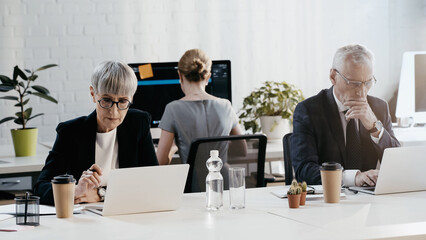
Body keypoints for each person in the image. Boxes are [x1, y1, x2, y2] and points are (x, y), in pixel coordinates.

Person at [33, 61, 158, 205]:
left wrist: (101, 194)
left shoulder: (138, 123)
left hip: (127, 212)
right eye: (106, 100)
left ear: (131, 99)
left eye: (123, 101)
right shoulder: (70, 132)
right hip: (85, 218)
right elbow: (40, 188)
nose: (114, 111)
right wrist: (74, 191)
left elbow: (151, 181)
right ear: (93, 94)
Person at [291, 44, 400, 187]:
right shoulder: (309, 111)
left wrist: (375, 127)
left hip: (369, 200)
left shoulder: (379, 108)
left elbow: (398, 164)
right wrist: (353, 178)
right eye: (354, 83)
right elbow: (304, 170)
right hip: (327, 200)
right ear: (333, 76)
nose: (361, 92)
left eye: (367, 83)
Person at [156, 49, 243, 165]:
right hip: (223, 181)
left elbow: (161, 162)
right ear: (208, 77)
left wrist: (173, 148)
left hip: (194, 182)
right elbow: (242, 150)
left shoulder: (172, 109)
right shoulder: (226, 105)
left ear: (180, 76)